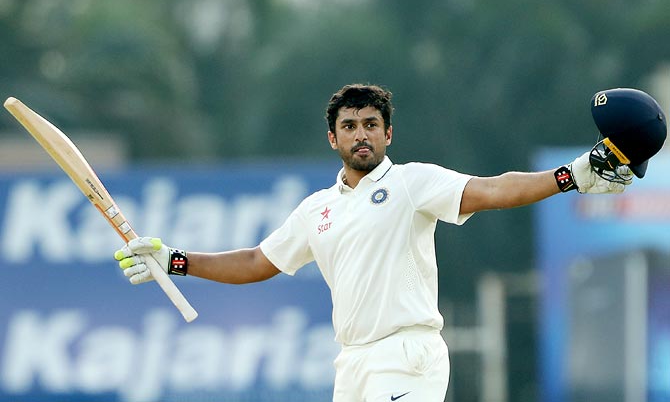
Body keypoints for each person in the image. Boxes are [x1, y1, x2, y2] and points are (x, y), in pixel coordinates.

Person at [114, 84, 630, 402]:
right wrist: (174, 260)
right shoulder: (317, 208)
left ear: (387, 135)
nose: (361, 134)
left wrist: (574, 174)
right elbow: (256, 261)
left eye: (371, 125)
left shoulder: (411, 182)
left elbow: (492, 190)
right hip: (353, 362)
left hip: (407, 352)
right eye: (349, 126)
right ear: (332, 139)